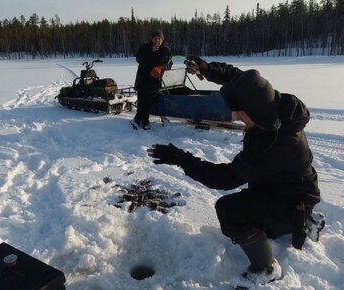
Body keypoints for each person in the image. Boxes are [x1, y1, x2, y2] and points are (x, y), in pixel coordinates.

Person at [147, 56, 322, 288]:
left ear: (255, 110)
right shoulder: (275, 105)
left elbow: (225, 178)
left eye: (241, 112)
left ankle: (266, 266)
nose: (237, 116)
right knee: (256, 196)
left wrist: (181, 159)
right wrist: (207, 69)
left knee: (229, 210)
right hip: (292, 186)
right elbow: (239, 78)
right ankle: (300, 219)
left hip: (290, 198)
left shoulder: (273, 145)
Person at [131, 30, 172, 130]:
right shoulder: (145, 47)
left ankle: (143, 121)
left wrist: (161, 68)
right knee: (141, 101)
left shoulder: (167, 50)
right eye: (155, 38)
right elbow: (138, 59)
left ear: (162, 40)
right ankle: (139, 120)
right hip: (142, 79)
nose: (157, 40)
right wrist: (150, 51)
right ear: (152, 39)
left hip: (155, 81)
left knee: (149, 102)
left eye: (159, 38)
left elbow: (169, 64)